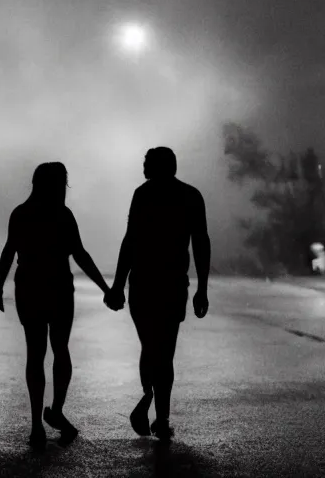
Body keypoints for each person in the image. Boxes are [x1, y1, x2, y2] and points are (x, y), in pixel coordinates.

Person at [0, 162, 115, 448]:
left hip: (28, 288)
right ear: (59, 185)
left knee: (35, 354)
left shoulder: (21, 214)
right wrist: (106, 288)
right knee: (61, 349)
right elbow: (80, 255)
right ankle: (57, 410)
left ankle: (37, 425)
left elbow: (9, 250)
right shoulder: (62, 215)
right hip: (59, 288)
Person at [106, 147, 210, 441]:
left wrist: (117, 285)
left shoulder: (143, 195)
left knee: (150, 348)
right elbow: (200, 243)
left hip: (143, 285)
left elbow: (130, 241)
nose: (142, 167)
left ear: (153, 167)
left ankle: (149, 395)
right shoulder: (191, 196)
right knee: (165, 352)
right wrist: (202, 288)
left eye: (146, 163)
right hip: (173, 286)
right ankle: (161, 416)